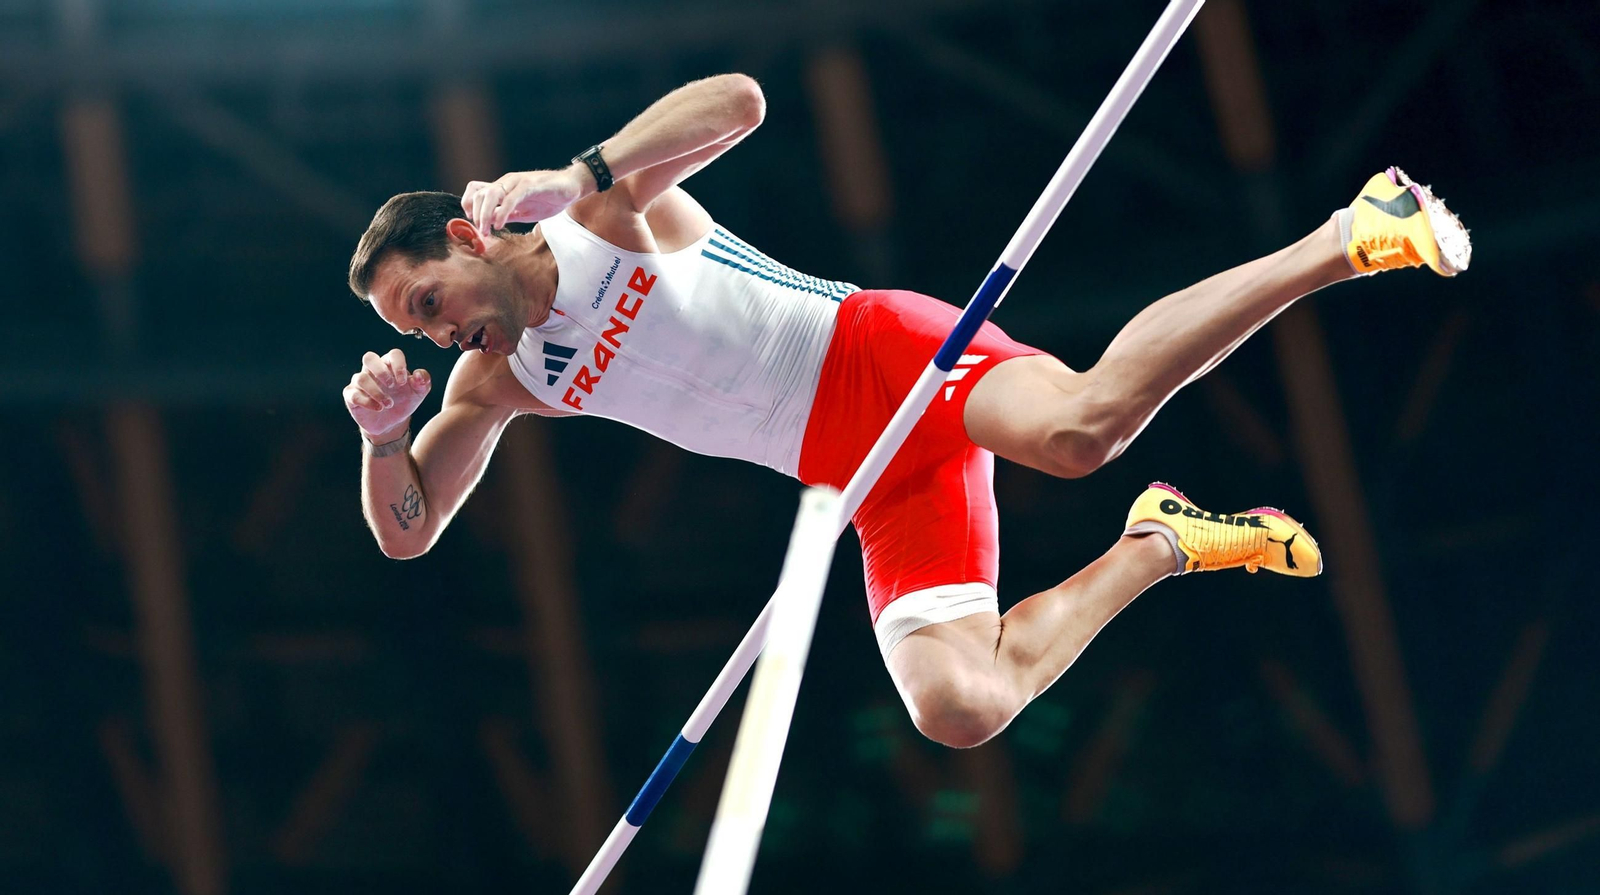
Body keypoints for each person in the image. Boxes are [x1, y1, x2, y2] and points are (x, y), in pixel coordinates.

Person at [342, 74, 1470, 749]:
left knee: (1078, 432)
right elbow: (408, 531)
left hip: (882, 356)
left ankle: (1346, 236)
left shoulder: (599, 216)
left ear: (467, 239)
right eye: (413, 330)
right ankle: (1161, 543)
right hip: (857, 475)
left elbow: (741, 103)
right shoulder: (500, 381)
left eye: (428, 302)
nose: (436, 335)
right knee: (958, 707)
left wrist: (579, 172)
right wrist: (384, 439)